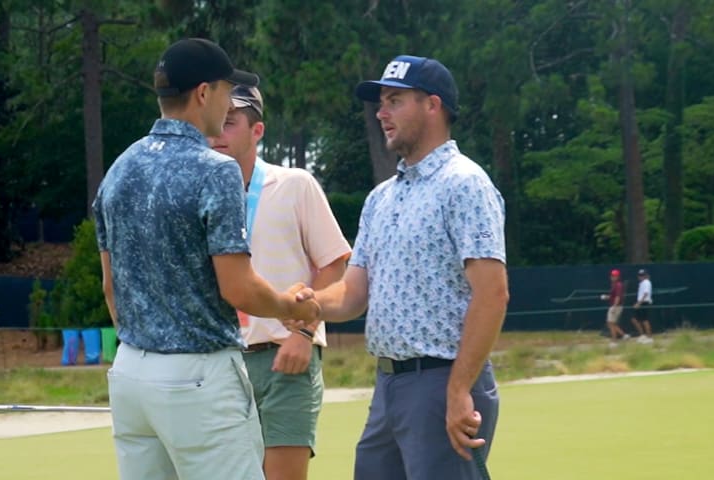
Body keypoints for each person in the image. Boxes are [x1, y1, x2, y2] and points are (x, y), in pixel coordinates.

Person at [92, 38, 321, 480]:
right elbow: (237, 288)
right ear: (202, 93)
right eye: (225, 90)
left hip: (130, 373)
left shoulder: (120, 168)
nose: (227, 101)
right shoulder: (215, 170)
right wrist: (293, 310)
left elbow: (110, 286)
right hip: (198, 376)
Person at [303, 55, 509, 479]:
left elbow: (492, 294)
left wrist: (457, 389)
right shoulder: (381, 198)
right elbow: (353, 293)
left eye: (395, 100)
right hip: (389, 388)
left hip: (442, 381)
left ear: (433, 106)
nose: (381, 113)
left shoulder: (465, 184)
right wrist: (309, 303)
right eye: (381, 102)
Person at [208, 85, 352, 480]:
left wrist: (304, 333)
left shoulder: (295, 184)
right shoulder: (196, 194)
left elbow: (334, 263)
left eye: (230, 123)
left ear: (257, 132)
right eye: (214, 122)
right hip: (218, 365)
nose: (217, 134)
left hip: (282, 359)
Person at [601, 269, 629, 345]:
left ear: (618, 277)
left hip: (616, 306)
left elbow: (618, 297)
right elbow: (613, 296)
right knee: (611, 323)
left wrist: (614, 307)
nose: (613, 277)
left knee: (610, 323)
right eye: (612, 275)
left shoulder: (618, 285)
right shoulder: (614, 285)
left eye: (615, 276)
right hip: (615, 305)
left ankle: (614, 341)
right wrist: (606, 297)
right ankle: (624, 335)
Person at [631, 269, 654, 344]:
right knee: (635, 319)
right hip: (641, 302)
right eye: (640, 275)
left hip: (644, 303)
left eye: (642, 275)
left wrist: (639, 303)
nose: (641, 277)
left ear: (646, 275)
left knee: (645, 320)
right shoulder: (641, 283)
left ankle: (649, 337)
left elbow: (646, 294)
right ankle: (643, 335)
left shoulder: (646, 282)